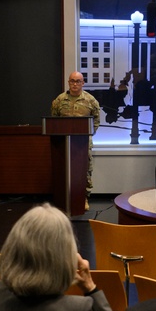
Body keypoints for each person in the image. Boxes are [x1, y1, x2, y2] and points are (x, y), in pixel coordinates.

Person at [51, 71, 100, 209]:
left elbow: (96, 120)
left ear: (83, 83)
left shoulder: (91, 101)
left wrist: (90, 134)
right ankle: (63, 198)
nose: (75, 84)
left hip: (83, 143)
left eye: (78, 81)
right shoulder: (59, 100)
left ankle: (83, 198)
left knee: (85, 170)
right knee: (63, 169)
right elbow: (54, 119)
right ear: (68, 82)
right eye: (72, 81)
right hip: (63, 144)